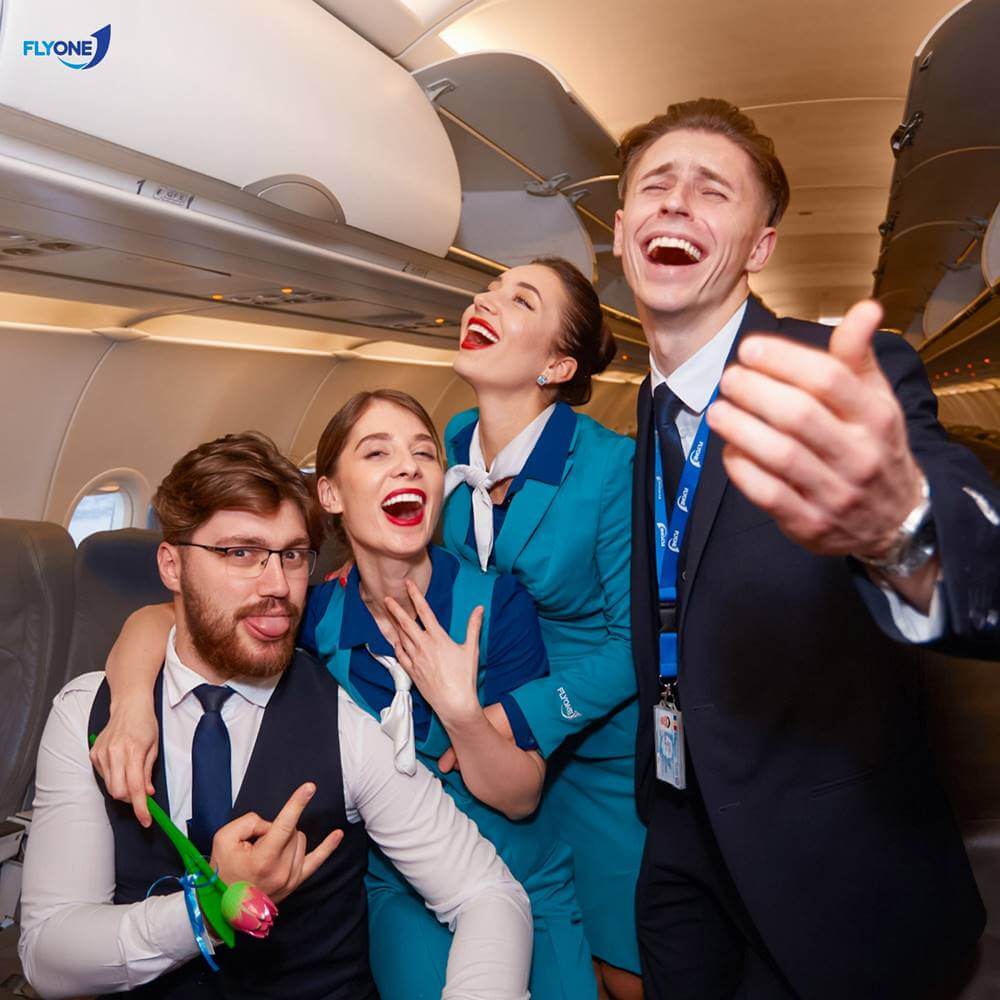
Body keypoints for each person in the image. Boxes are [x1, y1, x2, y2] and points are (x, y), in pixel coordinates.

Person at [614, 97, 1000, 1000]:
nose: (676, 202)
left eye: (713, 191)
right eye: (656, 186)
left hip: (828, 871)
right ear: (624, 229)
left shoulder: (839, 375)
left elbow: (975, 548)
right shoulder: (647, 400)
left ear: (760, 246)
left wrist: (901, 528)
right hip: (680, 841)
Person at [90, 399, 596, 999]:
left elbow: (520, 797)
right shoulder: (311, 610)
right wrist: (130, 704)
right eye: (378, 452)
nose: (407, 466)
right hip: (398, 885)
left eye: (424, 452)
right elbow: (166, 622)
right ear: (329, 493)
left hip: (520, 869)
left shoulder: (496, 606)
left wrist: (461, 713)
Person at [442, 257, 644, 999]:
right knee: (537, 963)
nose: (485, 300)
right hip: (485, 758)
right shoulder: (451, 441)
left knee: (623, 968)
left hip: (592, 754)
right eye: (490, 288)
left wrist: (509, 717)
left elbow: (634, 645)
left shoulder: (612, 466)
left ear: (556, 366)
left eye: (520, 299)